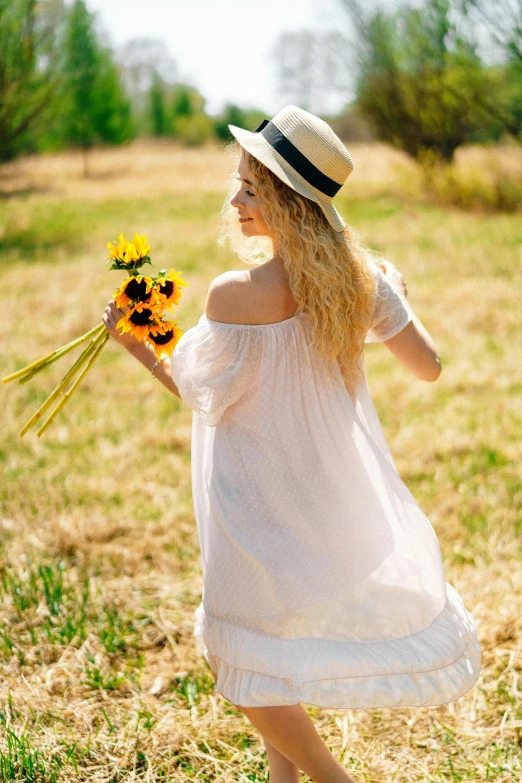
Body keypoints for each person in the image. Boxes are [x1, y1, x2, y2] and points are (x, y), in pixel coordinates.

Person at [102, 106, 481, 783]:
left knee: (236, 658)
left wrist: (136, 339)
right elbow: (429, 366)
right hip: (326, 499)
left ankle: (330, 778)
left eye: (253, 188)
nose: (237, 201)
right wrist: (396, 296)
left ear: (288, 200)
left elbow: (196, 389)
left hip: (255, 503)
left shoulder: (234, 294)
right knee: (268, 651)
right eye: (240, 184)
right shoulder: (360, 280)